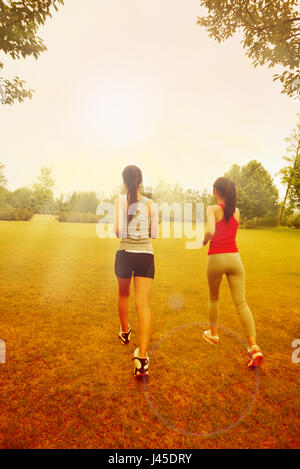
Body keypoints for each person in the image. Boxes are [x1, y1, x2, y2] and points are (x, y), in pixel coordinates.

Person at [202, 177, 263, 367]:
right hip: (235, 259)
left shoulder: (213, 209)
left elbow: (211, 231)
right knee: (241, 303)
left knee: (214, 298)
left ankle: (213, 334)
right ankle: (254, 347)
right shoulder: (236, 211)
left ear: (216, 191)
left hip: (216, 257)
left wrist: (203, 241)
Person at [114, 165, 158, 378]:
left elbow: (117, 232)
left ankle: (125, 332)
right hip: (145, 256)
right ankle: (142, 357)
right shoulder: (151, 205)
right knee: (143, 305)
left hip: (124, 254)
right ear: (141, 181)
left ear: (124, 182)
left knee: (124, 294)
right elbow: (154, 234)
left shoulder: (120, 201)